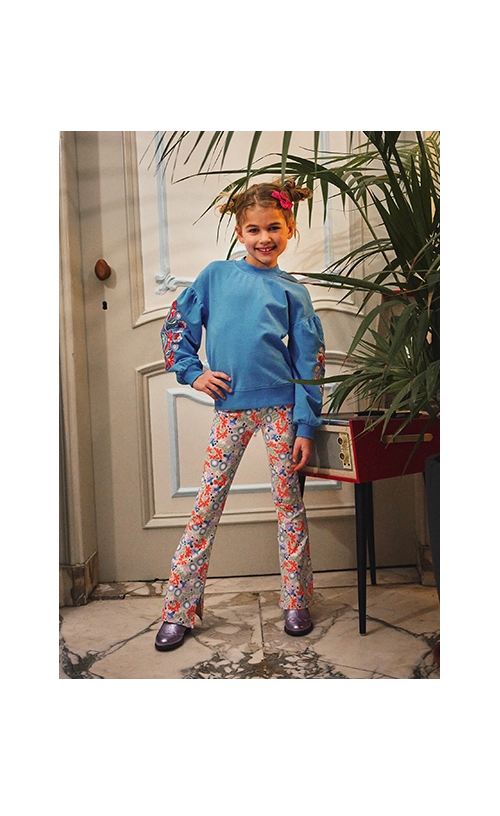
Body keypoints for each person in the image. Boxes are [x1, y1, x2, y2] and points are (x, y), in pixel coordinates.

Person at [155, 180, 325, 651]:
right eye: (254, 230)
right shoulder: (216, 276)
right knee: (206, 506)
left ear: (289, 229)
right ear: (239, 232)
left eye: (274, 228)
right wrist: (193, 373)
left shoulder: (294, 292)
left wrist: (306, 425)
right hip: (231, 409)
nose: (264, 238)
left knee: (289, 506)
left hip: (282, 411)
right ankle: (178, 609)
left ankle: (296, 600)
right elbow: (178, 324)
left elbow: (310, 363)